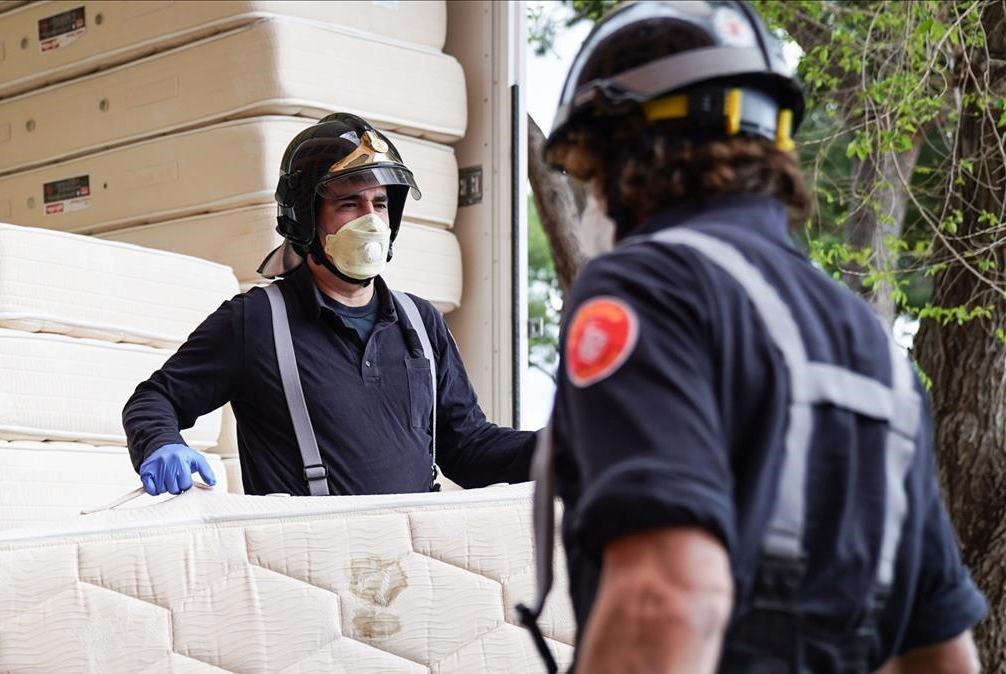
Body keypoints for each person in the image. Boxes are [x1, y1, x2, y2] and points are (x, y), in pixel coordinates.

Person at [517, 2, 987, 673]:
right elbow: (943, 655)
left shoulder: (650, 285)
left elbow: (667, 599)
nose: (591, 202)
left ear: (633, 152)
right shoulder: (871, 344)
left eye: (590, 175)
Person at [123, 112, 535, 497]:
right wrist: (161, 443)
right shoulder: (257, 321)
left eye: (380, 203)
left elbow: (468, 448)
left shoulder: (421, 323)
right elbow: (154, 398)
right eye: (349, 204)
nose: (371, 220)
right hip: (305, 569)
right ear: (305, 217)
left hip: (409, 564)